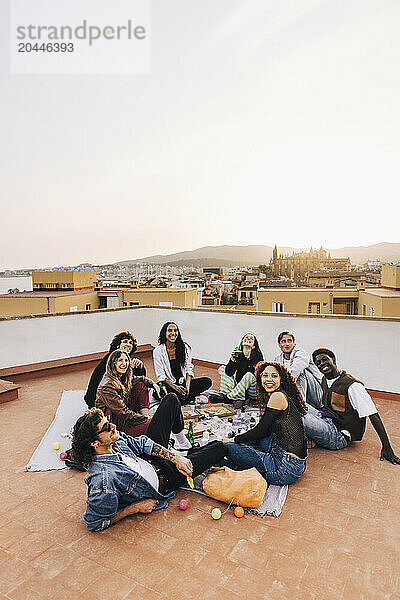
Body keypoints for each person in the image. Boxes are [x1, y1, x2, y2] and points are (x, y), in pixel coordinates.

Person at [71, 407, 226, 531]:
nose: (113, 426)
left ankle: (183, 450)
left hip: (152, 459)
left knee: (170, 400)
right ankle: (191, 455)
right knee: (220, 447)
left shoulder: (113, 441)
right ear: (94, 444)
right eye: (106, 427)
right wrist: (134, 508)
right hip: (167, 477)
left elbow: (142, 443)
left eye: (109, 421)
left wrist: (175, 458)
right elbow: (95, 523)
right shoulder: (103, 480)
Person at [304, 348, 400, 464]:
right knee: (296, 406)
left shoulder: (352, 385)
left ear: (333, 359)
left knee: (300, 417)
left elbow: (373, 415)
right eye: (318, 363)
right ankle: (309, 436)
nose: (322, 364)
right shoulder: (325, 379)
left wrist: (387, 446)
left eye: (325, 359)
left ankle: (305, 437)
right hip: (326, 419)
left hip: (338, 436)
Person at [225, 361, 308, 485]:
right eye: (265, 375)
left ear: (281, 379)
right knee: (259, 440)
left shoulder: (277, 397)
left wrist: (235, 440)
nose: (269, 379)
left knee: (228, 448)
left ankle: (233, 462)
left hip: (284, 470)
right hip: (296, 463)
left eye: (274, 376)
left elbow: (260, 431)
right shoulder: (279, 395)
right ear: (260, 378)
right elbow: (267, 431)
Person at [95, 349, 190, 450]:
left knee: (140, 385)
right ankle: (171, 444)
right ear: (113, 363)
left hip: (124, 418)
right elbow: (124, 413)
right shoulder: (107, 386)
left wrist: (153, 384)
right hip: (118, 427)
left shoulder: (120, 377)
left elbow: (139, 379)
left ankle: (177, 440)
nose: (124, 364)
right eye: (120, 361)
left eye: (126, 360)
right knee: (161, 421)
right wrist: (147, 419)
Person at [153, 322, 212, 405]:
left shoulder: (184, 348)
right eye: (170, 331)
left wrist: (187, 386)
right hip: (170, 385)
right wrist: (176, 387)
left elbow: (188, 368)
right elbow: (161, 375)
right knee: (157, 392)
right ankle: (186, 398)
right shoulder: (158, 351)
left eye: (175, 331)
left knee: (207, 381)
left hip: (183, 383)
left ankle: (180, 398)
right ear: (164, 333)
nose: (173, 333)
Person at [84, 331, 146, 408]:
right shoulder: (110, 359)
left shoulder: (126, 362)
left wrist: (139, 367)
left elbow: (133, 381)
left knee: (141, 385)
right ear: (117, 345)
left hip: (117, 401)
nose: (128, 345)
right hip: (101, 403)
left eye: (131, 343)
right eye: (125, 342)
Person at [274, 331, 322, 409]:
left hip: (317, 392)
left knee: (301, 372)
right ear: (279, 345)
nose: (287, 344)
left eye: (289, 341)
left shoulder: (301, 353)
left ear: (294, 343)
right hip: (296, 391)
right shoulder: (278, 359)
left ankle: (299, 407)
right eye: (283, 341)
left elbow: (296, 370)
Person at [216, 333, 264, 409]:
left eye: (251, 338)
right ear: (242, 341)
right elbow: (229, 373)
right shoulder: (238, 354)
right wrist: (232, 360)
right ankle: (236, 397)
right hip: (240, 387)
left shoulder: (257, 355)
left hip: (252, 389)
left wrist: (247, 357)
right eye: (246, 337)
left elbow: (253, 375)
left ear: (254, 345)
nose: (248, 339)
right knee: (222, 368)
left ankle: (229, 398)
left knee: (249, 375)